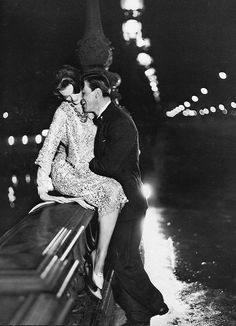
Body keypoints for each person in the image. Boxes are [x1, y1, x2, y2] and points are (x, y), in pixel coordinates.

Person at [81, 73, 169, 326]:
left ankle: (157, 304)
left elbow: (110, 164)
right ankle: (142, 313)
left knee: (125, 261)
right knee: (123, 260)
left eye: (85, 93)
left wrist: (86, 165)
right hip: (125, 200)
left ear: (97, 93)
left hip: (129, 202)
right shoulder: (109, 119)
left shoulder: (118, 122)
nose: (83, 99)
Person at [35, 65, 128, 299]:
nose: (73, 100)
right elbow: (49, 147)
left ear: (83, 88)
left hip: (93, 172)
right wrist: (42, 185)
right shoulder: (63, 111)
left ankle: (99, 258)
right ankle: (97, 266)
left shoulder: (96, 107)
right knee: (110, 193)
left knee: (115, 190)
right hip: (67, 172)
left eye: (75, 94)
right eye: (65, 97)